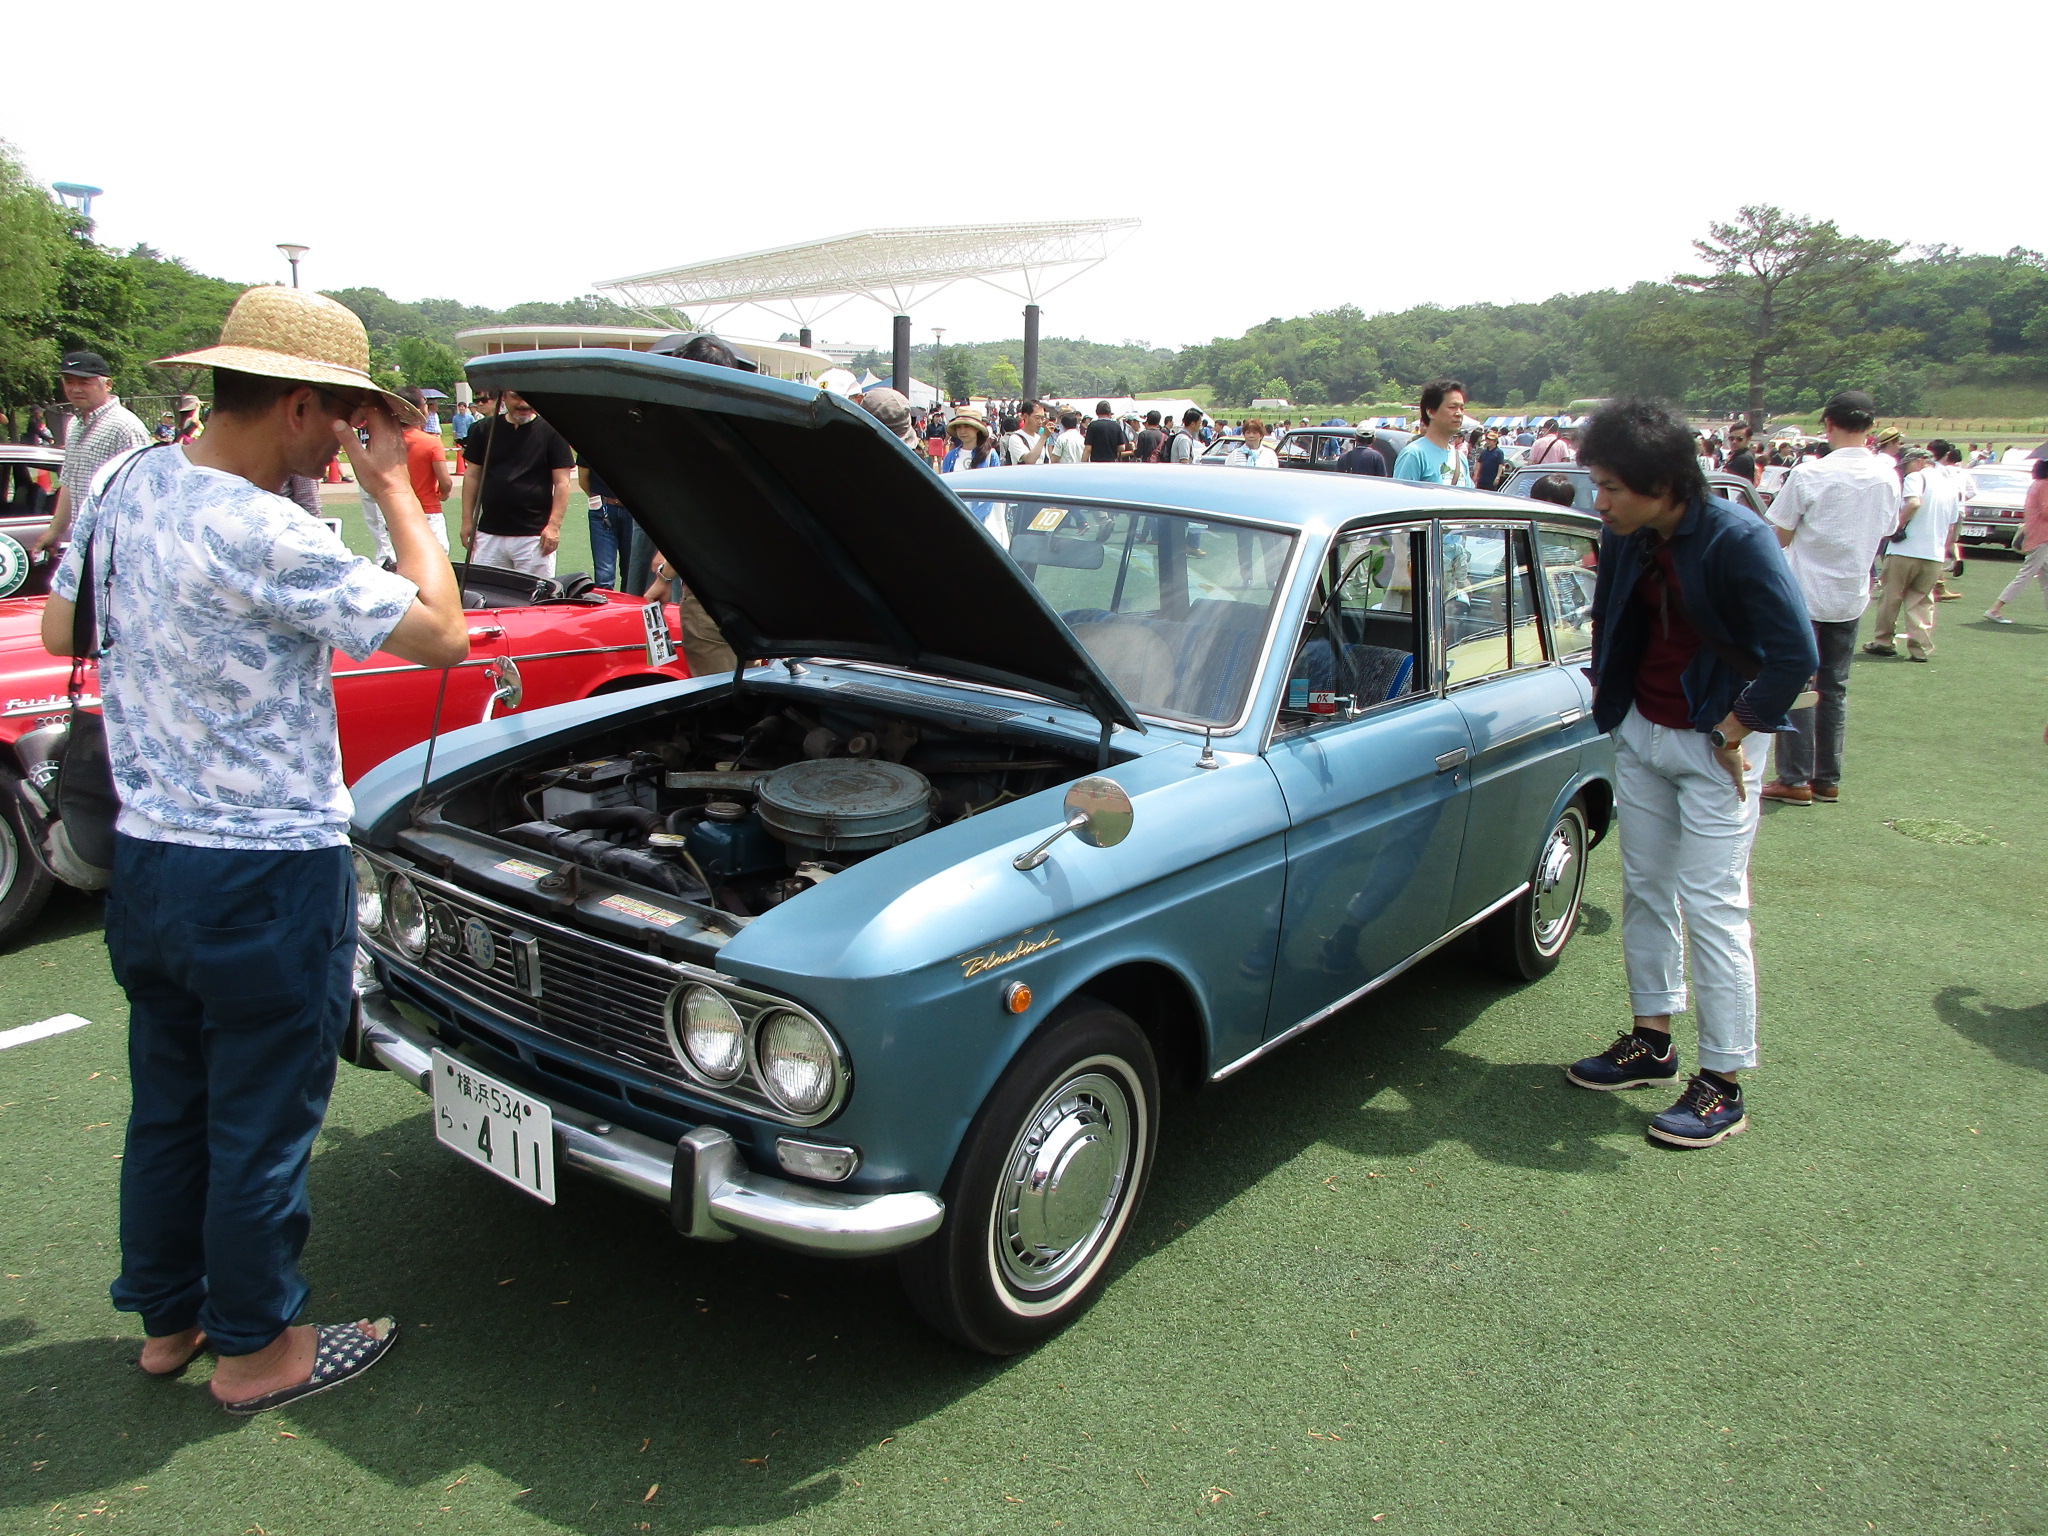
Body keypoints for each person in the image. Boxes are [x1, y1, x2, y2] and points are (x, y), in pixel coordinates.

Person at [38, 284, 466, 1410]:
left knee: (170, 1101)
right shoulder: (262, 524)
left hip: (148, 854)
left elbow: (58, 628)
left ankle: (168, 1322)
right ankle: (257, 1350)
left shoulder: (129, 483)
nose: (342, 443)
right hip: (267, 869)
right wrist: (394, 494)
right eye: (339, 421)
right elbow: (441, 634)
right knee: (262, 1121)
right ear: (293, 405)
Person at [1563, 398, 1815, 1149]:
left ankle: (1724, 1081)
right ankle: (1652, 1038)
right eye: (1596, 484)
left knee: (1712, 906)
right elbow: (1612, 622)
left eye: (1610, 486)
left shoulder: (1738, 538)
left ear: (1663, 482)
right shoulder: (1628, 537)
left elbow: (1796, 654)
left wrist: (1735, 731)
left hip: (1718, 746)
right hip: (1643, 728)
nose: (1598, 501)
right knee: (1645, 887)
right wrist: (1614, 704)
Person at [1760, 390, 1899, 805]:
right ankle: (1827, 777)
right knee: (1835, 687)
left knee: (1800, 684)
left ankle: (1794, 777)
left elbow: (1779, 533)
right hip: (1850, 591)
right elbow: (1888, 528)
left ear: (1828, 423)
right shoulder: (1887, 475)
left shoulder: (1810, 473)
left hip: (1803, 591)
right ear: (1872, 427)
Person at [33, 351, 153, 555]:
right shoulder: (75, 425)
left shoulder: (125, 426)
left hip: (117, 546)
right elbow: (69, 481)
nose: (75, 389)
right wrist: (55, 531)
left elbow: (144, 494)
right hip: (84, 541)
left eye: (85, 382)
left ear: (107, 385)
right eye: (69, 381)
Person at [459, 389, 572, 575]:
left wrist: (554, 526)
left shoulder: (552, 432)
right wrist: (466, 520)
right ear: (503, 397)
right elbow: (471, 476)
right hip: (489, 534)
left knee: (536, 600)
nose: (524, 404)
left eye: (529, 397)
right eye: (516, 396)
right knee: (488, 597)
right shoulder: (484, 429)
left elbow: (562, 483)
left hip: (534, 537)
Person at [1863, 445, 1957, 661]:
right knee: (1922, 601)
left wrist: (1895, 526)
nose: (1904, 470)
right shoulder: (1950, 485)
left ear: (1918, 462)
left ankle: (1883, 641)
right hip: (1933, 553)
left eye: (1906, 465)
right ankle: (1919, 648)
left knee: (1891, 596)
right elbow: (1953, 524)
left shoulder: (1916, 478)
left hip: (1906, 549)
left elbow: (1914, 503)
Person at [1985, 459, 2048, 622]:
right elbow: (2046, 511)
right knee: (2027, 574)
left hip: (2036, 534)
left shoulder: (2036, 484)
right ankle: (1995, 609)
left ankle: (1995, 609)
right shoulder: (2044, 485)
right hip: (2042, 536)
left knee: (2044, 576)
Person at [1391, 380, 1473, 486]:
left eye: (1461, 408)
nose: (1459, 413)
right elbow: (1401, 498)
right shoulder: (1414, 454)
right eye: (1452, 407)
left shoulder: (1460, 457)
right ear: (1431, 412)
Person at [579, 456, 630, 588]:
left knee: (632, 574)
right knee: (604, 577)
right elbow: (583, 479)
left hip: (632, 515)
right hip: (602, 510)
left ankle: (630, 608)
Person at [939, 408, 1001, 472]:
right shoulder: (949, 456)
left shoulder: (990, 455)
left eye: (967, 426)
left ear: (977, 428)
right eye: (958, 427)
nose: (962, 431)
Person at [1000, 400, 1052, 465]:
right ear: (1025, 416)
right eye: (1037, 418)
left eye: (1042, 418)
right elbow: (1029, 460)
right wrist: (1044, 437)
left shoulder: (1039, 438)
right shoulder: (1016, 438)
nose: (1040, 422)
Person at [1722, 422, 1758, 486]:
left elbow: (1730, 483)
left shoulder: (1744, 458)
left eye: (1739, 439)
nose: (1734, 442)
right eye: (1731, 438)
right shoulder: (1736, 456)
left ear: (1748, 439)